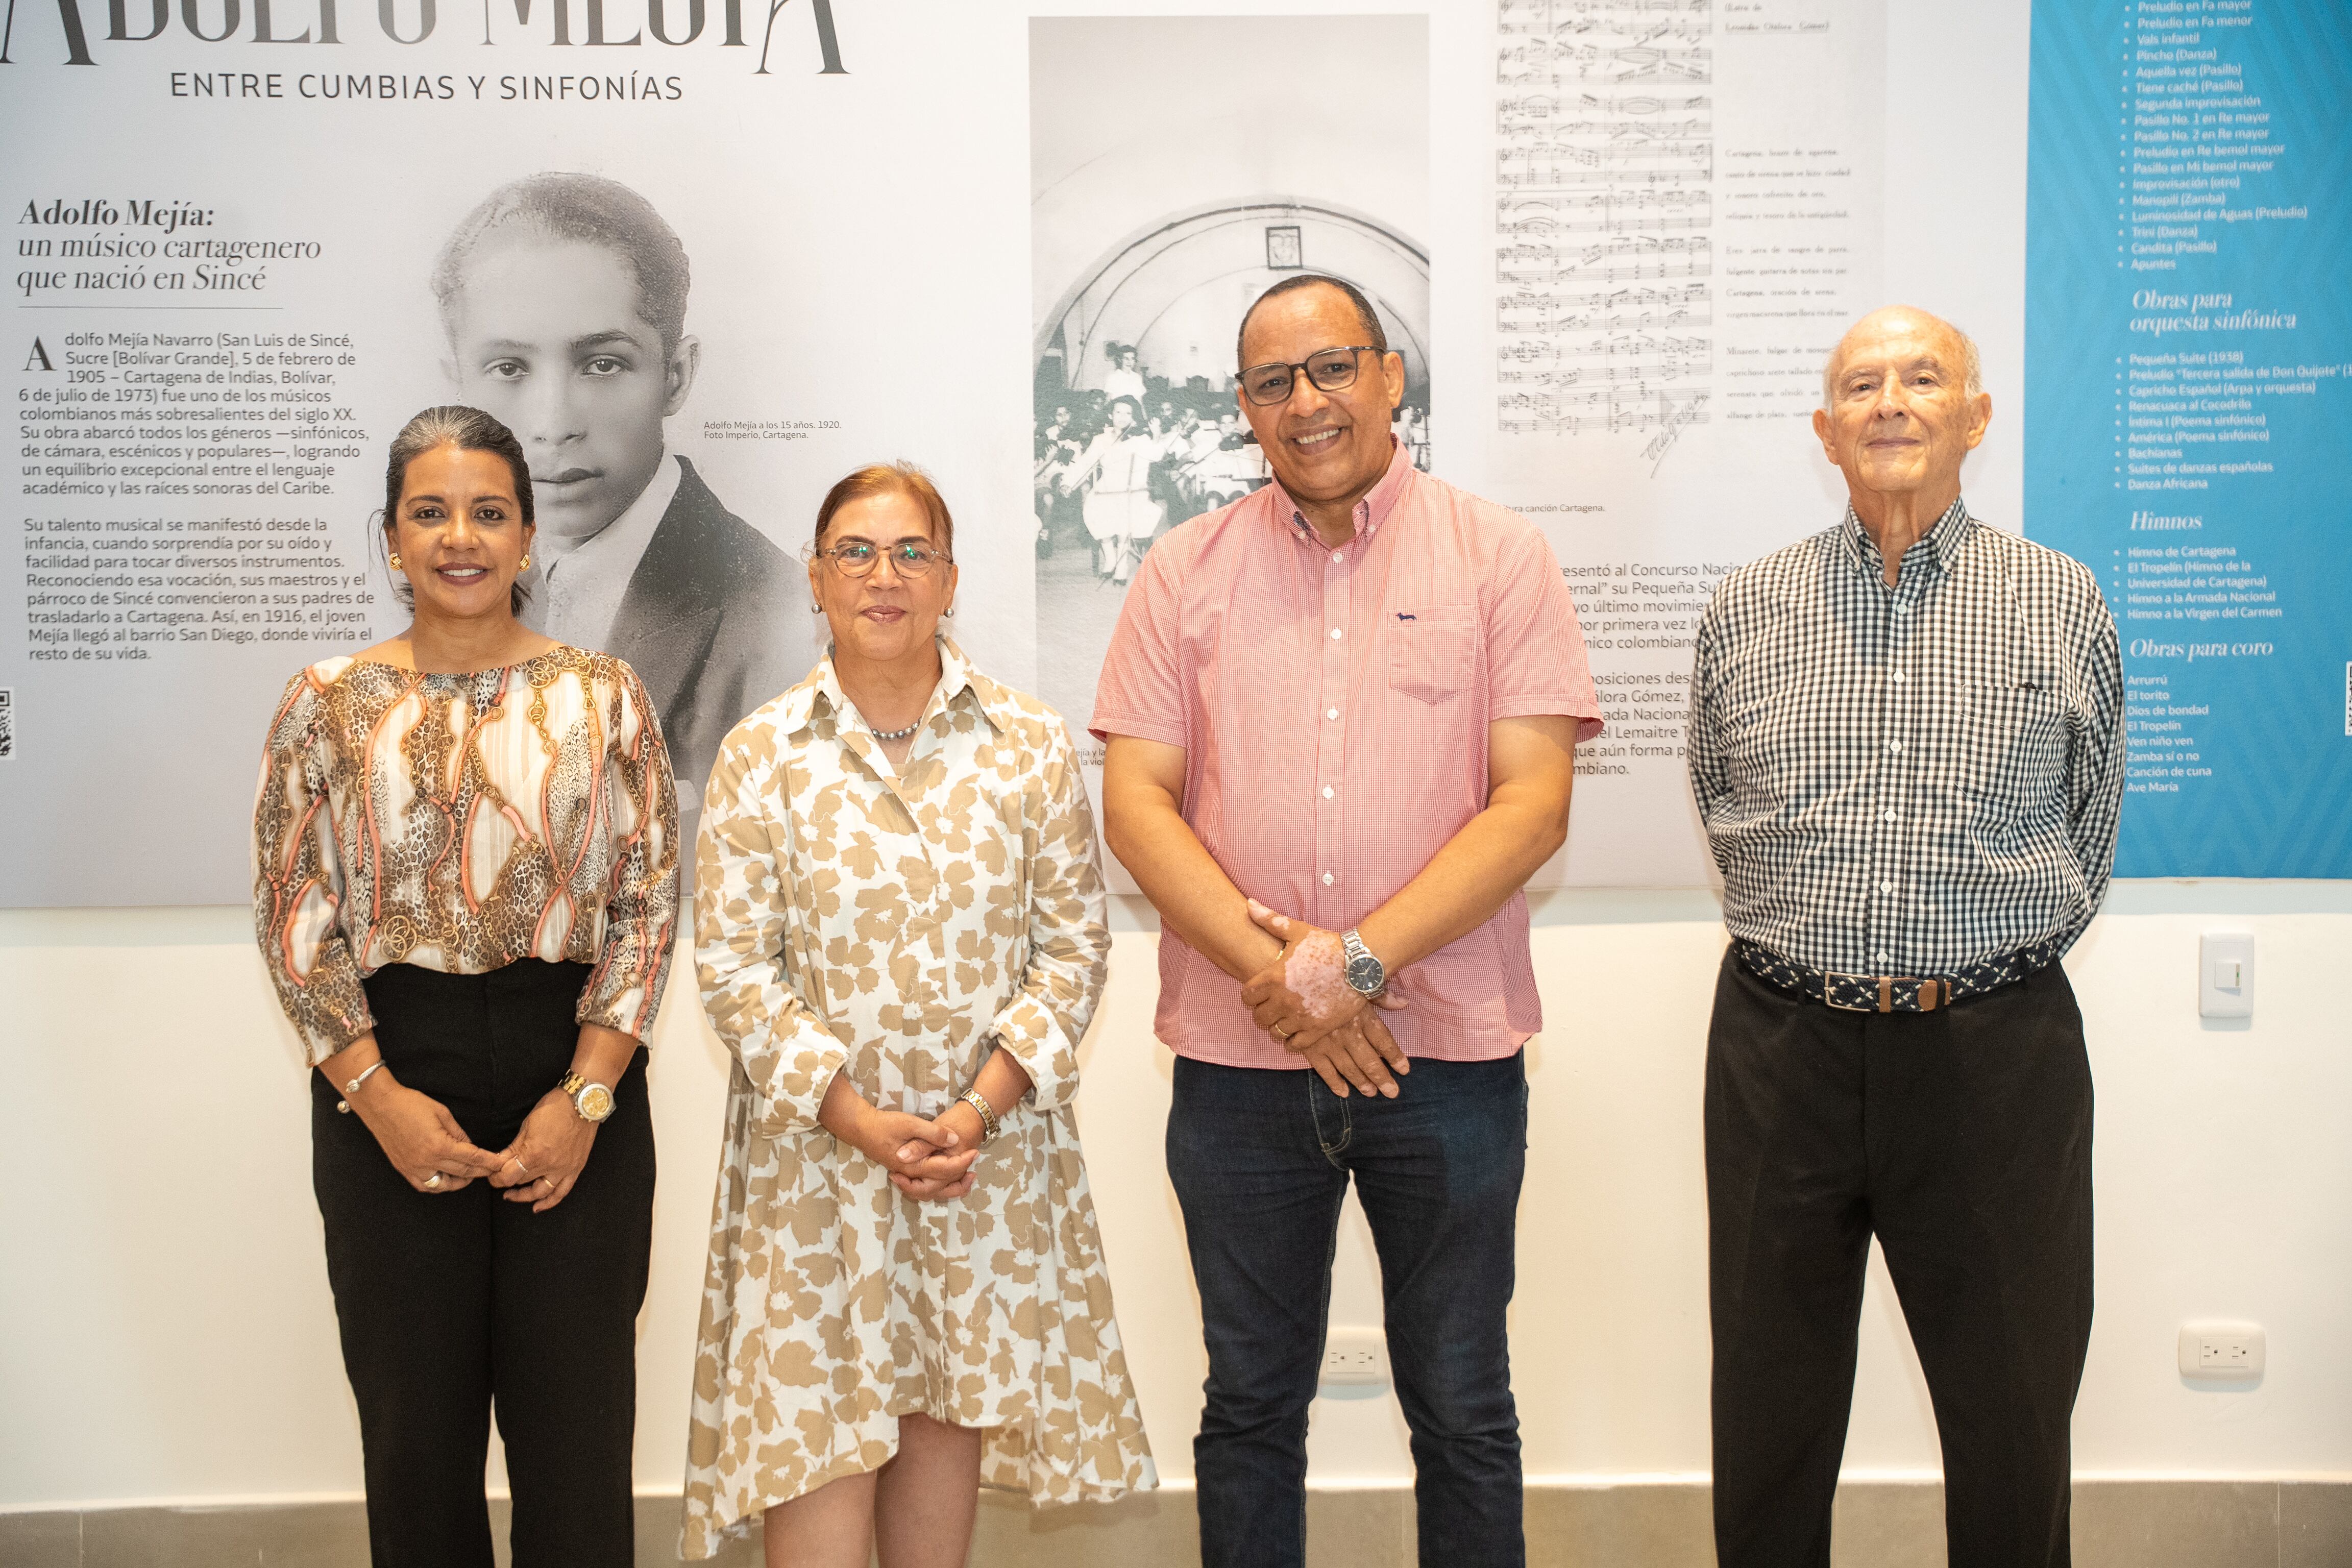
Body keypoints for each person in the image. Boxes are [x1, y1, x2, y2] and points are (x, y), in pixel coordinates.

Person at [1094, 274, 1602, 1568]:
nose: (1305, 401)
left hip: (1449, 1059)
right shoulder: (1182, 571)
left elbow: (1531, 803)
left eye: (1332, 368)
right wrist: (1288, 974)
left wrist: (1357, 961)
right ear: (1245, 411)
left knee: (1462, 1401)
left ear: (1389, 376)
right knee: (1251, 1403)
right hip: (1236, 1059)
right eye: (1272, 381)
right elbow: (1139, 806)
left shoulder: (1500, 556)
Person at [1686, 305, 2123, 1567]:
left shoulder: (2060, 599)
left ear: (1974, 417)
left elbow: (2086, 827)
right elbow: (1723, 800)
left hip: (1996, 1052)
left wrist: (1973, 962)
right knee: (1768, 1404)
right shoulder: (1750, 603)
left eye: (1922, 377)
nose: (1890, 402)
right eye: (1861, 384)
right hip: (1780, 1047)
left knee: (2013, 1407)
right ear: (1824, 431)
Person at [682, 463, 1156, 1565]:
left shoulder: (1029, 747)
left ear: (950, 579)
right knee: (814, 1468)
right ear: (814, 577)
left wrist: (974, 1115)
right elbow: (739, 972)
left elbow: (1073, 953)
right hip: (816, 1176)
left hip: (973, 1173)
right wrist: (857, 1118)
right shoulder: (764, 755)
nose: (883, 577)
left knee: (940, 1473)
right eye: (855, 551)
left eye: (911, 553)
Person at [252, 405, 679, 1567]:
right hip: (387, 1070)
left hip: (575, 1068)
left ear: (529, 535)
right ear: (389, 536)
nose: (461, 536)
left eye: (489, 511)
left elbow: (645, 909)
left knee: (578, 1437)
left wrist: (584, 1095)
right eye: (430, 511)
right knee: (415, 1438)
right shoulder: (323, 703)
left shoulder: (605, 697)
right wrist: (376, 1094)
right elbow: (295, 918)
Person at [433, 171, 808, 791]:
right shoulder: (465, 585)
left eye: (601, 364)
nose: (552, 426)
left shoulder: (781, 624)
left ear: (677, 376)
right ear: (459, 387)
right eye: (508, 368)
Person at [1065, 394, 1170, 585]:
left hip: (1134, 490)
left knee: (1124, 516)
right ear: (1110, 415)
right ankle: (1111, 558)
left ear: (1134, 417)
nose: (1122, 417)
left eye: (1128, 413)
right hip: (1107, 488)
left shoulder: (1140, 438)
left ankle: (1121, 566)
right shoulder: (1100, 439)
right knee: (1093, 509)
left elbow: (1156, 455)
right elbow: (1086, 463)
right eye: (1118, 412)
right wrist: (1068, 483)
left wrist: (1156, 436)